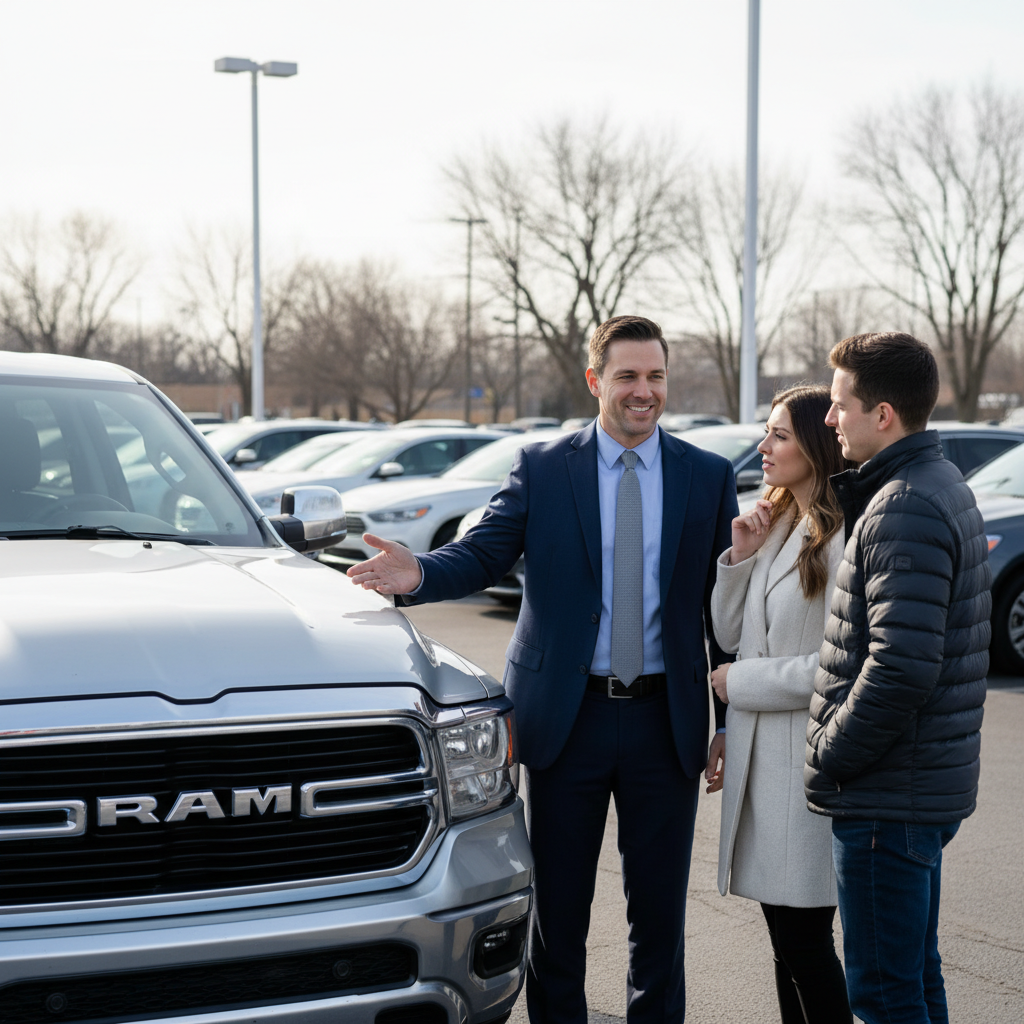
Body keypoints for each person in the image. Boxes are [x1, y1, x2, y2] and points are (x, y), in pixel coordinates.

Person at [348, 315, 738, 1024]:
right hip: (567, 721)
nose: (643, 391)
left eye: (655, 376)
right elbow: (483, 553)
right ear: (596, 381)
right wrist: (418, 574)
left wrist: (730, 722)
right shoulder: (543, 467)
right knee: (559, 918)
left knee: (659, 923)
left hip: (666, 725)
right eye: (627, 376)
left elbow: (724, 610)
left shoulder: (705, 477)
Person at [805, 332, 989, 1024]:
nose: (829, 419)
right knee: (914, 981)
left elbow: (902, 666)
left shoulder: (904, 503)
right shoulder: (930, 483)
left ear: (883, 415)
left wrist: (830, 750)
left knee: (883, 997)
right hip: (909, 790)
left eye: (840, 404)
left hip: (887, 796)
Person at [706, 384, 853, 1024]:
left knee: (804, 943)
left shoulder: (842, 533)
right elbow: (733, 633)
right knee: (785, 943)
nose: (763, 446)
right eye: (767, 432)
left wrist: (739, 685)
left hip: (804, 770)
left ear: (817, 445)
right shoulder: (781, 520)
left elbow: (839, 664)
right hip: (766, 769)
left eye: (781, 435)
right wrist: (739, 556)